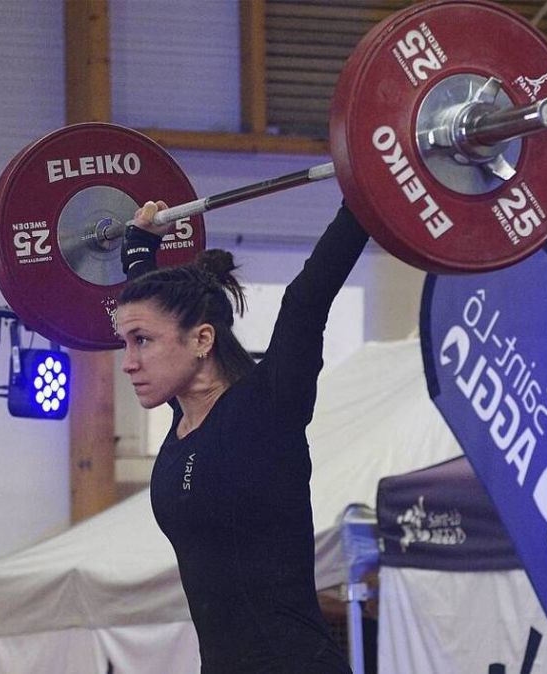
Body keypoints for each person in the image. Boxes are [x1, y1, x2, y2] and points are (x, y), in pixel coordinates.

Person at [115, 198, 369, 673]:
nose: (128, 361)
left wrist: (366, 185)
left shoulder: (268, 407)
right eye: (125, 342)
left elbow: (308, 298)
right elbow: (159, 310)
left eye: (141, 342)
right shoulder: (186, 415)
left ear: (203, 340)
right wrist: (138, 246)